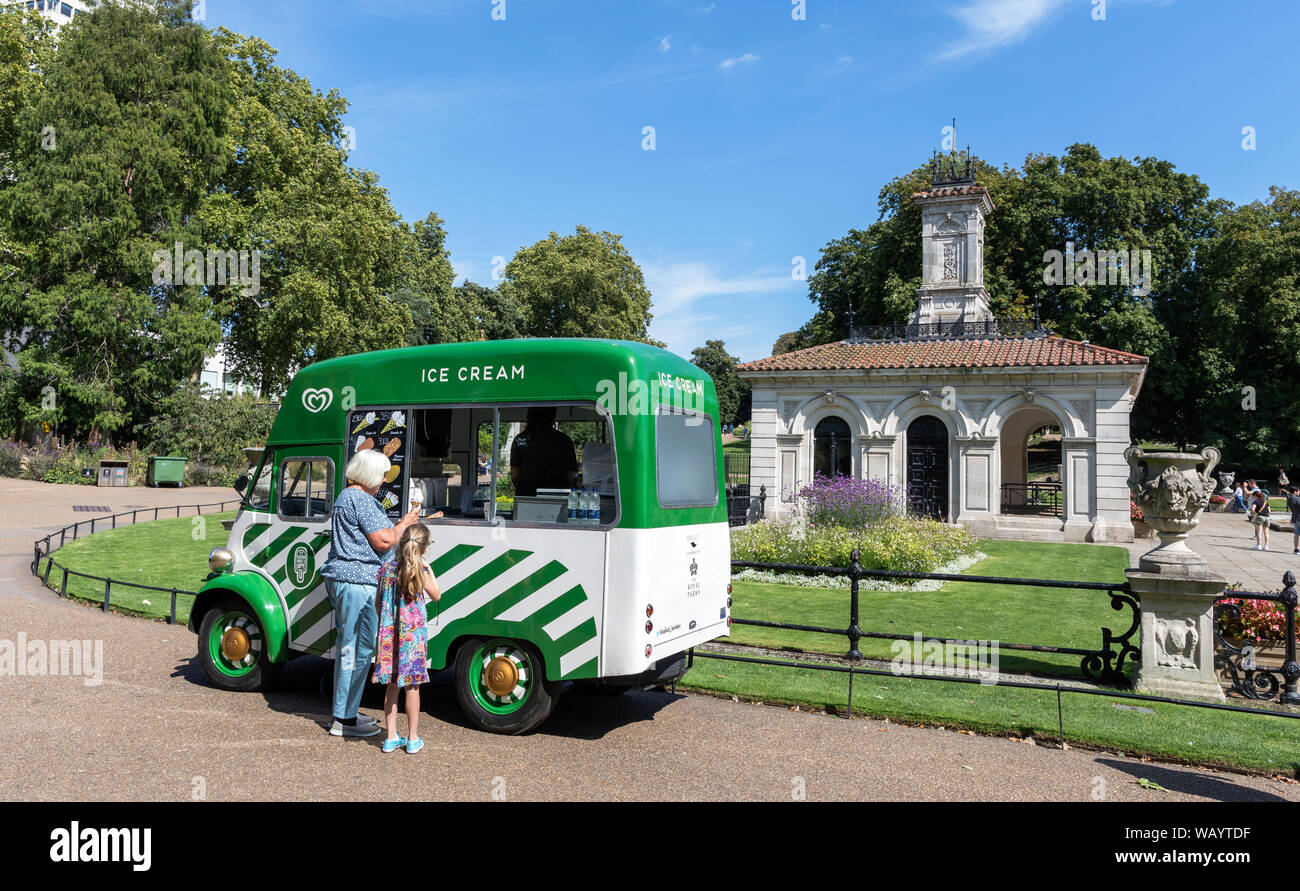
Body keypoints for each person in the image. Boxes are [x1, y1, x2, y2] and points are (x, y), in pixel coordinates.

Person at [320, 449, 420, 738]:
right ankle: (341, 719)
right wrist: (405, 524)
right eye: (382, 475)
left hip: (351, 581)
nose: (385, 480)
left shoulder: (348, 497)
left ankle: (347, 714)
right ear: (370, 475)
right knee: (354, 647)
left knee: (359, 648)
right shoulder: (360, 499)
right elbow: (384, 540)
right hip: (357, 582)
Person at [373, 523, 441, 754]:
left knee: (392, 686)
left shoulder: (386, 569)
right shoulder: (421, 569)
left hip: (389, 635)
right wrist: (429, 569)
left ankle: (391, 737)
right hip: (412, 639)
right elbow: (437, 594)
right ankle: (412, 739)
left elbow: (377, 605)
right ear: (423, 549)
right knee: (412, 687)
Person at [509, 406, 578, 497]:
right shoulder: (564, 440)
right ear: (552, 417)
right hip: (557, 493)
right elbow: (570, 474)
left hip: (526, 494)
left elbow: (514, 473)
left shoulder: (520, 439)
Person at [1285, 485, 1300, 555]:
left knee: (1296, 534)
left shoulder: (1289, 498)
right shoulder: (1297, 499)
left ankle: (1296, 549)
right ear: (1295, 492)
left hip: (1294, 518)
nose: (1299, 493)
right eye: (1298, 491)